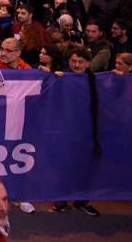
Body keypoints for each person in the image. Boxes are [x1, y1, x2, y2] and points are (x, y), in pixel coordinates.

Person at [50, 48, 102, 217]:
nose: (77, 65)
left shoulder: (98, 80)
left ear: (88, 63)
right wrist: (50, 76)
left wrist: (119, 76)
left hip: (88, 131)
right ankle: (62, 199)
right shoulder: (61, 78)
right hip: (65, 130)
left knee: (85, 166)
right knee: (63, 165)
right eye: (74, 61)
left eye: (81, 62)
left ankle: (82, 201)